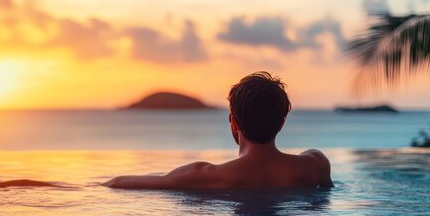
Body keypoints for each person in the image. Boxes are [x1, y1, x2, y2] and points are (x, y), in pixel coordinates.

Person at [103, 72, 333, 190]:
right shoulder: (316, 165)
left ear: (234, 122)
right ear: (281, 123)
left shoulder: (203, 175)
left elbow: (119, 182)